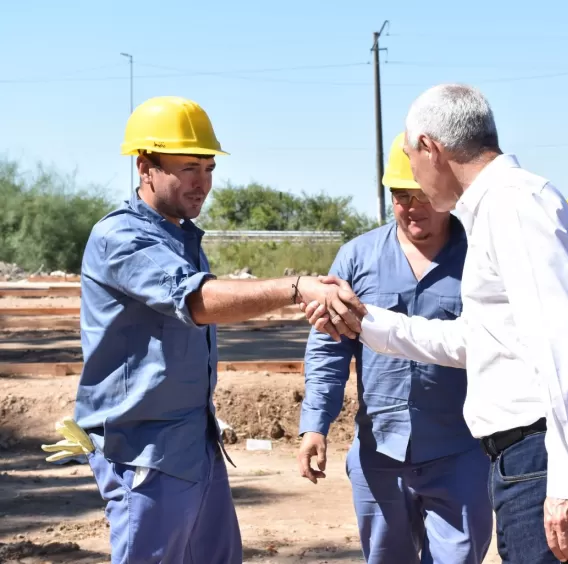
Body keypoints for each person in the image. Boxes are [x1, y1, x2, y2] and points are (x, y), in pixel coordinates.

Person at [302, 84, 568, 564]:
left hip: (541, 456)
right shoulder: (500, 208)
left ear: (431, 148)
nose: (413, 178)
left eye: (412, 160)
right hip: (532, 455)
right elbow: (478, 340)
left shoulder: (513, 207)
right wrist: (363, 321)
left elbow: (562, 350)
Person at [45, 96, 365, 564]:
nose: (203, 183)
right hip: (144, 453)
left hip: (194, 444)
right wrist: (296, 287)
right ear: (145, 166)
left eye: (209, 168)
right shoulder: (121, 238)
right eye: (188, 167)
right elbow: (197, 300)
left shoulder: (182, 237)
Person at [297, 132, 492, 563]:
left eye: (420, 194)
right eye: (399, 195)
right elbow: (329, 351)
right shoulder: (357, 258)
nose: (411, 206)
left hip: (460, 452)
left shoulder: (481, 257)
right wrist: (315, 425)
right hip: (379, 454)